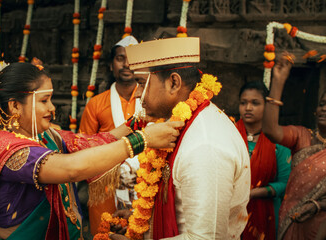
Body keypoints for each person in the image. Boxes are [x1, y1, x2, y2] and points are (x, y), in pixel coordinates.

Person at [0, 61, 181, 239]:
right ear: (15, 106)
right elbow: (72, 168)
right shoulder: (3, 148)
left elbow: (96, 141)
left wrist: (141, 119)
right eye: (44, 100)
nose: (52, 108)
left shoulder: (46, 137)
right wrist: (142, 140)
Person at [108, 37, 251, 239]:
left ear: (174, 83)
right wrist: (144, 221)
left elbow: (206, 237)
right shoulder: (178, 124)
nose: (137, 94)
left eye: (141, 83)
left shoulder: (204, 145)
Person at [79, 36, 141, 235]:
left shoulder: (151, 101)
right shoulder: (96, 104)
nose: (127, 64)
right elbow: (83, 148)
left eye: (132, 59)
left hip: (145, 184)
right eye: (120, 58)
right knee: (105, 234)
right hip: (105, 190)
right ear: (111, 64)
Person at [262, 54, 326, 240]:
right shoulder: (303, 136)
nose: (324, 109)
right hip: (293, 222)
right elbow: (271, 130)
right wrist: (278, 82)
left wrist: (317, 205)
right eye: (322, 104)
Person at [237, 81, 291, 239]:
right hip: (231, 209)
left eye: (255, 103)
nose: (248, 108)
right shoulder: (229, 135)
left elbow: (285, 183)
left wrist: (254, 193)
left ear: (267, 107)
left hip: (265, 212)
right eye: (243, 103)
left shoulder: (278, 142)